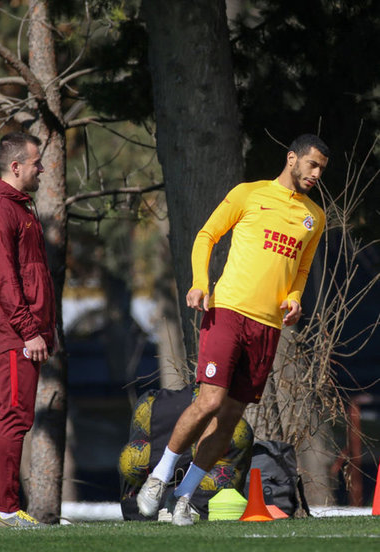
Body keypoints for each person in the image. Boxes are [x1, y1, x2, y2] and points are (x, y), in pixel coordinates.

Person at [137, 133, 329, 526]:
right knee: (209, 401)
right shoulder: (248, 194)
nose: (316, 174)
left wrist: (295, 297)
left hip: (268, 326)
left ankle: (184, 496)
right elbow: (206, 236)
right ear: (292, 159)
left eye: (322, 169)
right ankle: (158, 476)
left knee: (230, 416)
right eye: (312, 164)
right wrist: (199, 283)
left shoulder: (315, 217)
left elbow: (302, 268)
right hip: (228, 312)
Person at [0, 132, 57, 528]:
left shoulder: (17, 208)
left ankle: (3, 510)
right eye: (37, 163)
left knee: (10, 417)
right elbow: (3, 278)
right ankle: (5, 511)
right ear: (16, 166)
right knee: (13, 418)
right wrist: (28, 330)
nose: (43, 169)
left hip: (22, 331)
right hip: (12, 334)